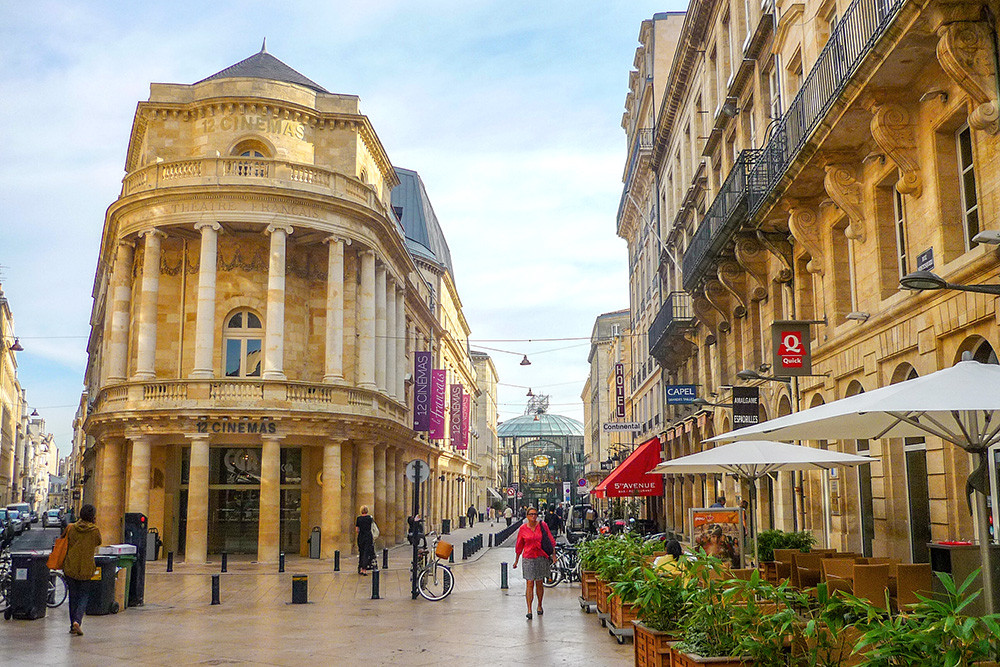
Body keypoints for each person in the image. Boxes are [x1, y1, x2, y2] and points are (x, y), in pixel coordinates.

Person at [63, 503, 102, 636]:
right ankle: (77, 621)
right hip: (86, 567)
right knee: (84, 595)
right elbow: (98, 542)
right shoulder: (94, 530)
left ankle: (72, 624)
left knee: (73, 596)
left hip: (71, 566)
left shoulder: (72, 528)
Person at [512, 506, 557, 620]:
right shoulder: (523, 529)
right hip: (528, 557)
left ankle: (540, 605)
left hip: (541, 557)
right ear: (527, 516)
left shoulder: (543, 526)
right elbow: (519, 545)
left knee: (539, 582)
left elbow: (550, 540)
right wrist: (516, 560)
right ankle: (529, 609)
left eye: (535, 514)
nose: (533, 516)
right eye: (531, 514)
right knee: (529, 583)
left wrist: (554, 555)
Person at [355, 505, 376, 575]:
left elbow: (357, 530)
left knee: (361, 552)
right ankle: (364, 569)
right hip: (368, 536)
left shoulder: (359, 519)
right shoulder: (369, 518)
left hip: (361, 537)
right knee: (366, 553)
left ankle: (360, 568)